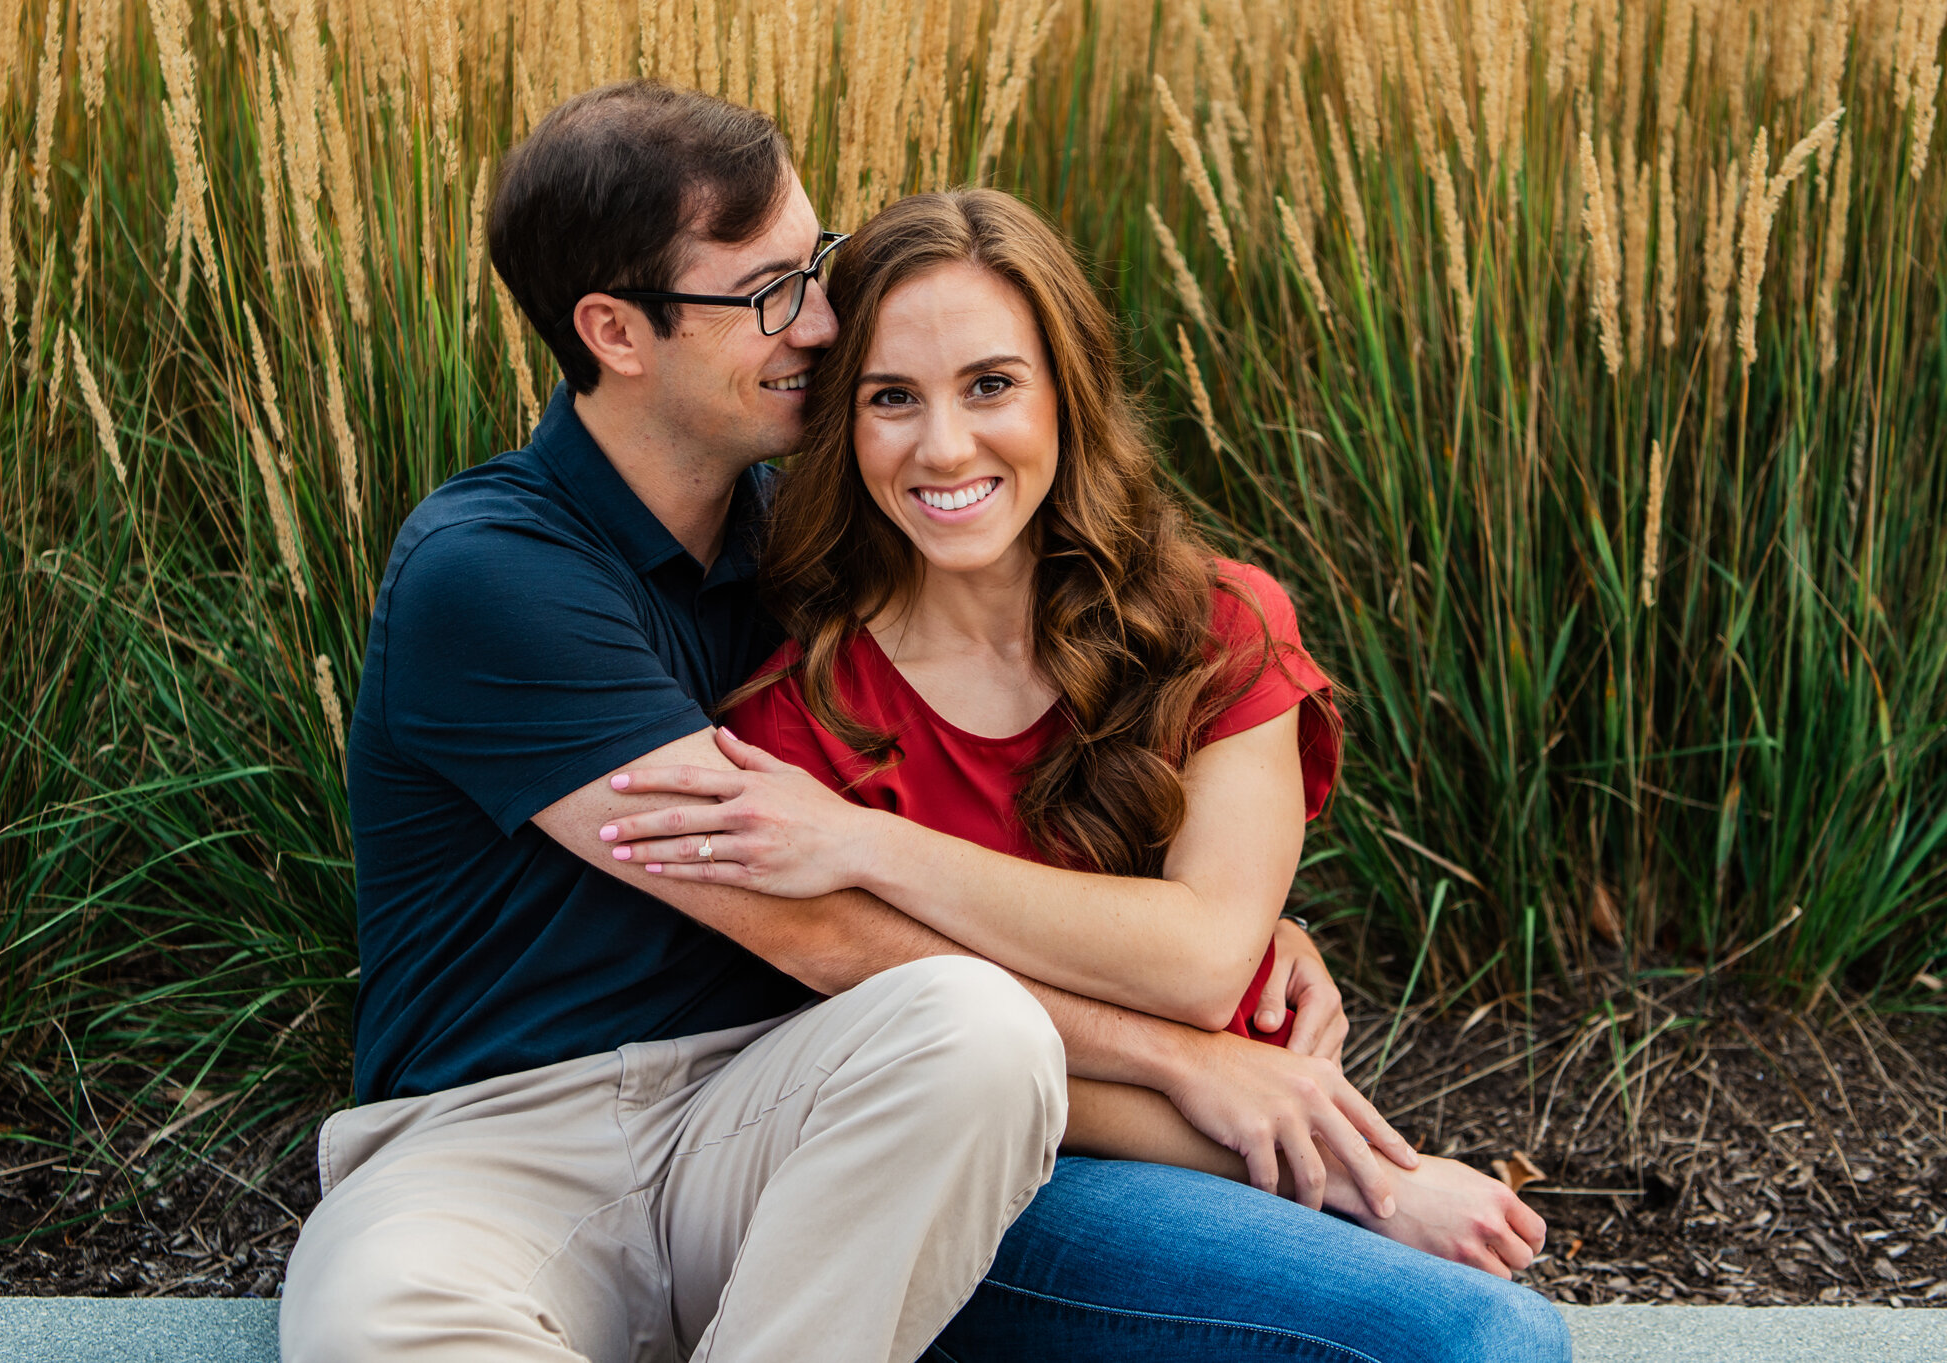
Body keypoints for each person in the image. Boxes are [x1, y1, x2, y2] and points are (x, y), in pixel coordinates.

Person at [278, 77, 1561, 1362]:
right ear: (614, 330)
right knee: (390, 1329)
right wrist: (1186, 1057)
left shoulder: (823, 548)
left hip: (791, 1113)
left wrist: (1229, 914)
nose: (827, 322)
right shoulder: (491, 571)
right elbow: (813, 920)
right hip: (505, 1150)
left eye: (818, 264)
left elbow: (968, 860)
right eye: (770, 291)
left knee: (973, 1030)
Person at [599, 188, 1575, 1361]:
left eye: (990, 385)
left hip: (1202, 1168)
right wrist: (1366, 1180)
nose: (943, 447)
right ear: (842, 426)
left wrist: (871, 844)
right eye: (890, 399)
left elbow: (1206, 956)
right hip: (963, 1203)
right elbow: (946, 1072)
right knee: (1476, 1342)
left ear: (1069, 389)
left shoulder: (1217, 624)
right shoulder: (799, 721)